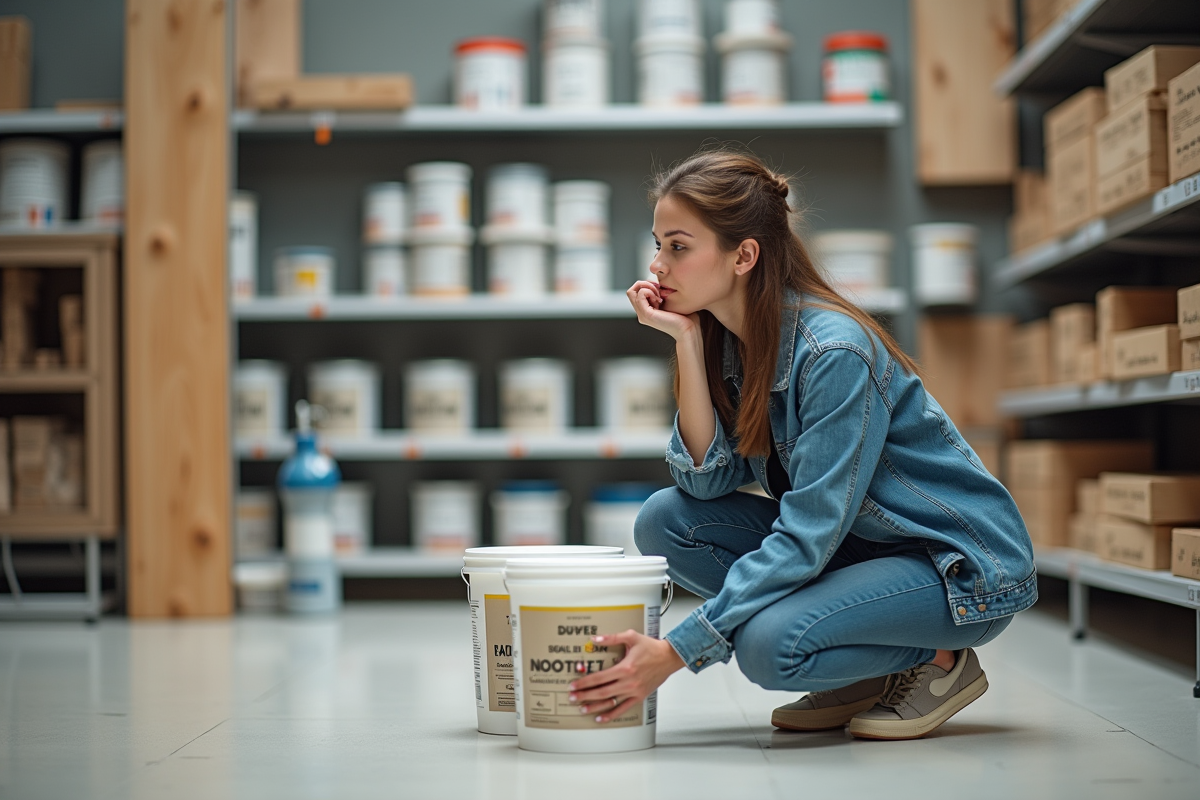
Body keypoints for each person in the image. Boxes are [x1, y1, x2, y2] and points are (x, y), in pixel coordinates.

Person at [565, 149, 1036, 741]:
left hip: (952, 569)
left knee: (770, 649)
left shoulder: (832, 352)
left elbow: (808, 534)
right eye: (658, 244)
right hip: (862, 548)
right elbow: (705, 483)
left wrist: (677, 649)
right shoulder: (731, 339)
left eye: (678, 246)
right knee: (666, 520)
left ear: (744, 255)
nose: (657, 265)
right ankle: (861, 664)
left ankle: (938, 660)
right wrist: (685, 342)